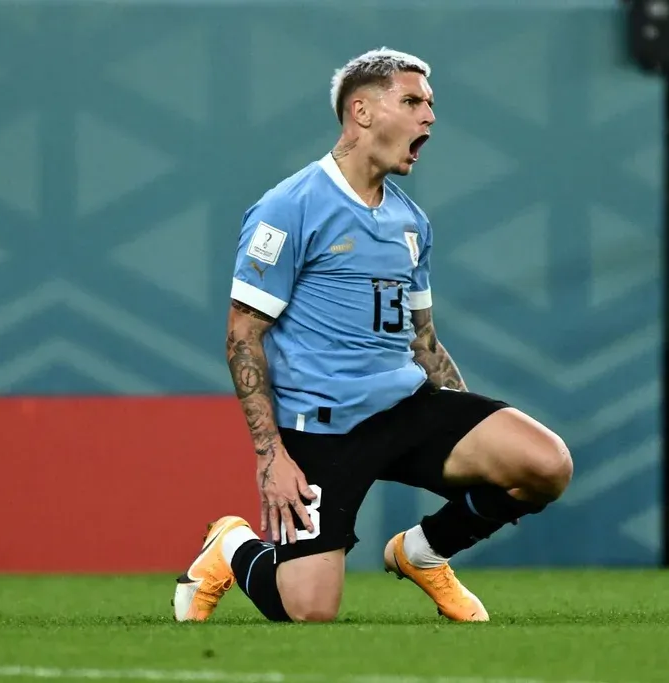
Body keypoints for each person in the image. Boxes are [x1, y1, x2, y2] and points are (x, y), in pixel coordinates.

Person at [172, 48, 573, 624]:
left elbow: (423, 340)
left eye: (429, 104)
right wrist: (271, 456)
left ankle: (423, 553)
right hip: (323, 430)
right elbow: (242, 336)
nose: (428, 116)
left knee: (546, 464)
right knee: (309, 612)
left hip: (405, 408)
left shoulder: (411, 221)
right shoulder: (287, 208)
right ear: (361, 112)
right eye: (411, 102)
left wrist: (462, 419)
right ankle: (232, 547)